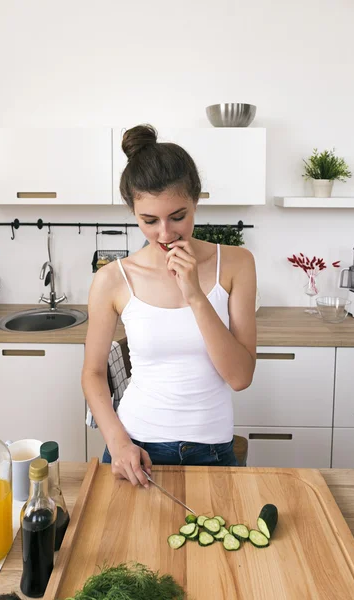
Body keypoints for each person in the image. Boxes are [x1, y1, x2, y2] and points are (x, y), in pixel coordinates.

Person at [81, 124, 257, 489]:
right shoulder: (113, 279)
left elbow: (240, 378)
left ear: (196, 200)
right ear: (133, 212)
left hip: (213, 450)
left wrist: (194, 295)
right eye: (149, 220)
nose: (165, 233)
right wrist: (118, 441)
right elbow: (93, 373)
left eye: (178, 216)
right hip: (135, 446)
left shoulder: (237, 264)